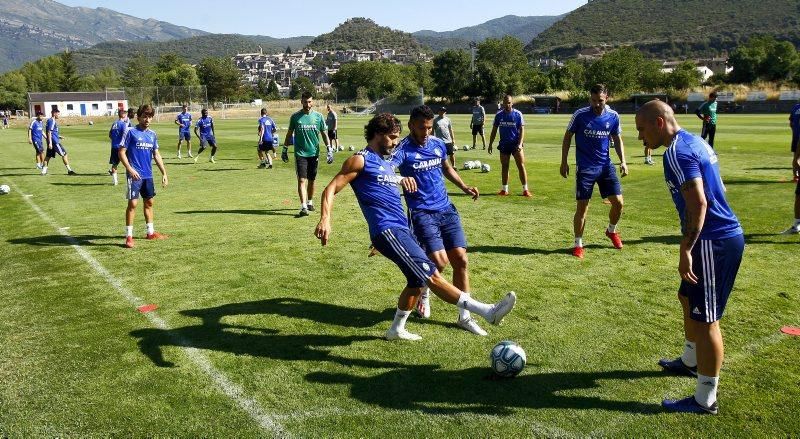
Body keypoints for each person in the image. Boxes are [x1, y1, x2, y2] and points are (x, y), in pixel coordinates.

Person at [314, 112, 516, 340]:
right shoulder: (360, 159)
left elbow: (383, 180)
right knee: (431, 274)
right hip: (387, 229)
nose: (395, 142)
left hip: (400, 229)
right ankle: (486, 312)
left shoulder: (384, 161)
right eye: (391, 137)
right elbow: (330, 188)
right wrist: (326, 218)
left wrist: (401, 179)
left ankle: (396, 329)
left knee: (416, 280)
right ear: (378, 134)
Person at [635, 100, 744, 415]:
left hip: (712, 241)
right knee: (686, 297)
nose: (641, 138)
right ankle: (690, 359)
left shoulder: (676, 152)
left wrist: (686, 249)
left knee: (708, 319)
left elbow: (698, 203)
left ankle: (705, 398)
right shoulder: (695, 141)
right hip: (717, 238)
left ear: (659, 122)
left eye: (642, 130)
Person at [391, 105, 486, 336]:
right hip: (422, 212)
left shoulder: (437, 144)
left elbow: (446, 167)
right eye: (422, 127)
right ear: (412, 124)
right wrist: (401, 178)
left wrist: (463, 186)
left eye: (429, 127)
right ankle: (424, 291)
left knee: (461, 260)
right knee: (439, 263)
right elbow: (385, 171)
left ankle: (465, 317)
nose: (426, 132)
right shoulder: (403, 148)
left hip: (446, 209)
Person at [560, 84, 628, 259]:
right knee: (583, 208)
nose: (597, 104)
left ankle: (611, 231)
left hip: (606, 166)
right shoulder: (580, 115)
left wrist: (623, 161)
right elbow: (568, 136)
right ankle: (578, 244)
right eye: (593, 100)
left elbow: (617, 139)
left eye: (600, 100)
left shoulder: (613, 116)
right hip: (585, 168)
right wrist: (564, 161)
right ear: (589, 98)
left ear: (607, 98)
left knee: (619, 203)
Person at [119, 104, 169, 249]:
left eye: (150, 117)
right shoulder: (130, 132)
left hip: (148, 175)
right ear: (139, 117)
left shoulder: (152, 134)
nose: (147, 119)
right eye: (145, 116)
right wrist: (129, 169)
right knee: (133, 204)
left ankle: (150, 232)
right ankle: (129, 236)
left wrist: (164, 173)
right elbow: (121, 152)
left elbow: (156, 154)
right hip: (134, 175)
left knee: (149, 203)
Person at [283, 91, 331, 216]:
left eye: (309, 102)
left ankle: (309, 202)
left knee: (312, 180)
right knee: (301, 180)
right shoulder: (295, 117)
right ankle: (303, 206)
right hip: (300, 154)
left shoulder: (318, 117)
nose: (307, 104)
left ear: (312, 101)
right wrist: (284, 149)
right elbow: (289, 134)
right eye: (305, 102)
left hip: (314, 153)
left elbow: (324, 134)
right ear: (301, 102)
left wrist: (329, 148)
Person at [488, 95, 531, 197]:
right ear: (503, 103)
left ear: (512, 103)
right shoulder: (498, 115)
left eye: (509, 102)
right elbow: (494, 130)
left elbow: (522, 130)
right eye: (505, 103)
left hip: (516, 145)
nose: (507, 104)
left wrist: (520, 144)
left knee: (521, 166)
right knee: (504, 167)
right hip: (504, 144)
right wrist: (490, 144)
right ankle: (504, 190)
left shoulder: (518, 114)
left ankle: (525, 190)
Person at [42, 108, 76, 176]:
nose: (59, 115)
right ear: (54, 113)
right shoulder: (52, 121)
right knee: (64, 154)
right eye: (58, 114)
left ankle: (43, 172)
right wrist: (51, 143)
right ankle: (69, 170)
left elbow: (52, 132)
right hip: (54, 142)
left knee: (48, 156)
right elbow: (49, 132)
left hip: (52, 141)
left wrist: (59, 136)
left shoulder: (49, 120)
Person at [108, 108, 128, 185]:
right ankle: (130, 179)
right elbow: (126, 135)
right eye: (125, 114)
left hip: (114, 147)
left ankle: (115, 181)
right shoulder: (123, 124)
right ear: (123, 115)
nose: (126, 115)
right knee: (129, 163)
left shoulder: (114, 123)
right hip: (122, 147)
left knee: (114, 164)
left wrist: (115, 140)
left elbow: (110, 134)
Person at [789, 100, 800, 182]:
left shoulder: (795, 107)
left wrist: (795, 131)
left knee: (796, 157)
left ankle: (795, 176)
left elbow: (791, 123)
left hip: (796, 136)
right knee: (797, 158)